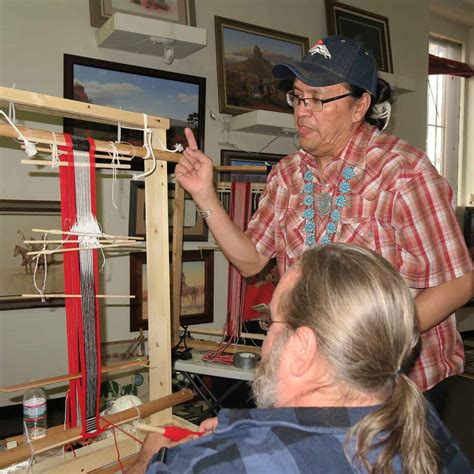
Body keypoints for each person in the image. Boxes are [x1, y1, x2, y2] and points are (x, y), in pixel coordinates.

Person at [175, 35, 473, 401]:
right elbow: (251, 260)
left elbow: (458, 284)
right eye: (298, 97)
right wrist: (205, 195)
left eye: (318, 99)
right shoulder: (287, 175)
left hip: (402, 388)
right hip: (319, 383)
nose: (302, 110)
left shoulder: (403, 172)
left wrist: (370, 343)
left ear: (360, 104)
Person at [129, 244, 470, 473]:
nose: (266, 339)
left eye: (272, 322)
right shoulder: (418, 417)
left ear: (304, 348)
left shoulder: (217, 465)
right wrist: (239, 429)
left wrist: (150, 459)